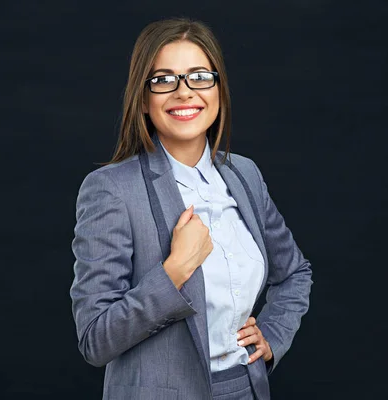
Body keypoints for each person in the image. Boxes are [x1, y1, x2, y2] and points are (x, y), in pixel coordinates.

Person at [70, 17, 312, 400]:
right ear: (144, 100)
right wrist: (175, 270)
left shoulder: (244, 174)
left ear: (218, 90)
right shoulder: (112, 190)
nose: (184, 92)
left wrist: (273, 336)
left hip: (245, 390)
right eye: (164, 79)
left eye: (199, 76)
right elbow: (95, 340)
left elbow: (295, 272)